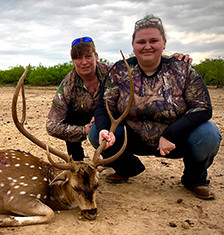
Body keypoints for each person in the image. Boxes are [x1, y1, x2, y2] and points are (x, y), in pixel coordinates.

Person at [88, 16, 222, 200]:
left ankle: (195, 180)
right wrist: (104, 128)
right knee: (96, 132)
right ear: (133, 45)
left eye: (154, 41)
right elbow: (105, 106)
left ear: (164, 43)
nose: (147, 46)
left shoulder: (184, 70)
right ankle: (128, 169)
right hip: (132, 138)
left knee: (209, 134)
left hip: (174, 140)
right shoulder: (119, 70)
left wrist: (171, 134)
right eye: (141, 42)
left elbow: (203, 108)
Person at [46, 36, 192, 161]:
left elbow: (140, 64)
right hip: (85, 123)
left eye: (88, 56)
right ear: (73, 61)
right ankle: (76, 163)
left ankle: (123, 166)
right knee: (73, 120)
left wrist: (171, 58)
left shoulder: (114, 71)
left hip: (108, 117)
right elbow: (51, 126)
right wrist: (83, 130)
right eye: (78, 58)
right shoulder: (67, 86)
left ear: (96, 57)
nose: (84, 62)